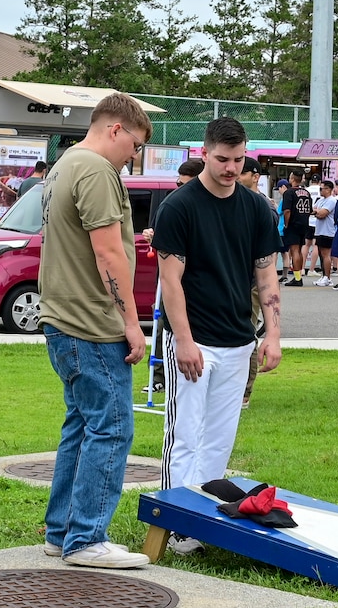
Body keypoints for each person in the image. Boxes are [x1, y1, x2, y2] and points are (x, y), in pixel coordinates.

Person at [32, 91, 152, 569]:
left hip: (61, 318)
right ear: (115, 130)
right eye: (135, 145)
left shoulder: (64, 165)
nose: (134, 157)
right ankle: (86, 540)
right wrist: (131, 322)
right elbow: (108, 254)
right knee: (113, 427)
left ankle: (61, 532)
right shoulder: (98, 170)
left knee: (81, 425)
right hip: (92, 324)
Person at [154, 117, 283, 500]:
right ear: (205, 153)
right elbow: (170, 281)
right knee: (185, 437)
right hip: (194, 341)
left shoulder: (257, 209)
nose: (231, 168)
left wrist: (272, 334)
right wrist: (184, 341)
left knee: (219, 441)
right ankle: (175, 522)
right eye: (223, 159)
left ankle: (205, 517)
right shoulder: (179, 207)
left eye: (239, 160)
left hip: (238, 341)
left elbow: (267, 277)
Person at [279, 171, 312, 285]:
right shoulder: (307, 193)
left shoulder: (289, 193)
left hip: (293, 223)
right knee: (299, 249)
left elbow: (287, 210)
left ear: (292, 178)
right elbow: (310, 209)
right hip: (304, 223)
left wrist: (286, 224)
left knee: (294, 250)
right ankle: (299, 274)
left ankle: (297, 278)